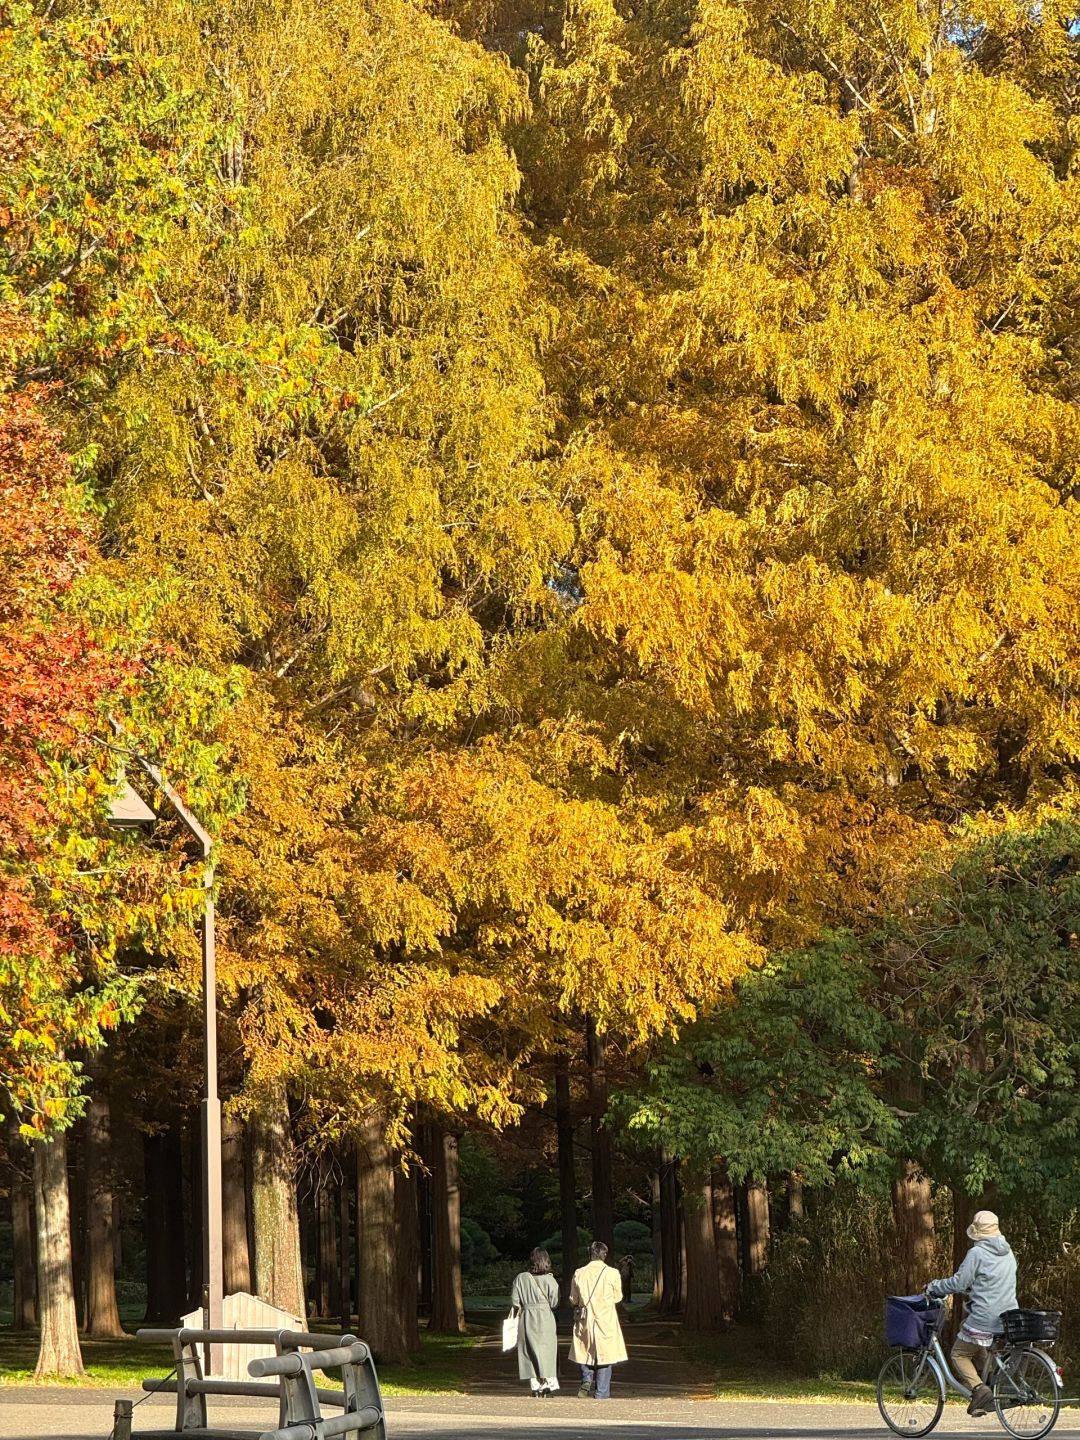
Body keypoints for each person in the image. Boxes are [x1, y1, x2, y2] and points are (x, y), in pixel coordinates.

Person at [926, 1210, 1018, 1418]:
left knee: (958, 1354)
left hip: (986, 1316)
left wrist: (935, 1287)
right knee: (969, 1335)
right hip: (1009, 1316)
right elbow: (995, 1281)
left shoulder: (977, 1253)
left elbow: (960, 1282)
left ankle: (979, 1389)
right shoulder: (1008, 1251)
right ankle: (987, 1384)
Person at [569, 1239, 628, 1400]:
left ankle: (587, 1379)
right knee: (605, 1355)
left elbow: (573, 1299)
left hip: (585, 1317)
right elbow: (618, 1297)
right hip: (605, 1318)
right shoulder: (612, 1273)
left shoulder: (579, 1273)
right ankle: (601, 1392)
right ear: (604, 1255)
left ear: (590, 1254)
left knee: (583, 1350)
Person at [510, 1247, 560, 1397]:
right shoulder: (550, 1280)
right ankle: (548, 1382)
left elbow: (515, 1301)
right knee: (548, 1352)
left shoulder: (521, 1278)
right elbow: (555, 1302)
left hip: (527, 1318)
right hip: (545, 1318)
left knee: (529, 1352)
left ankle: (535, 1385)